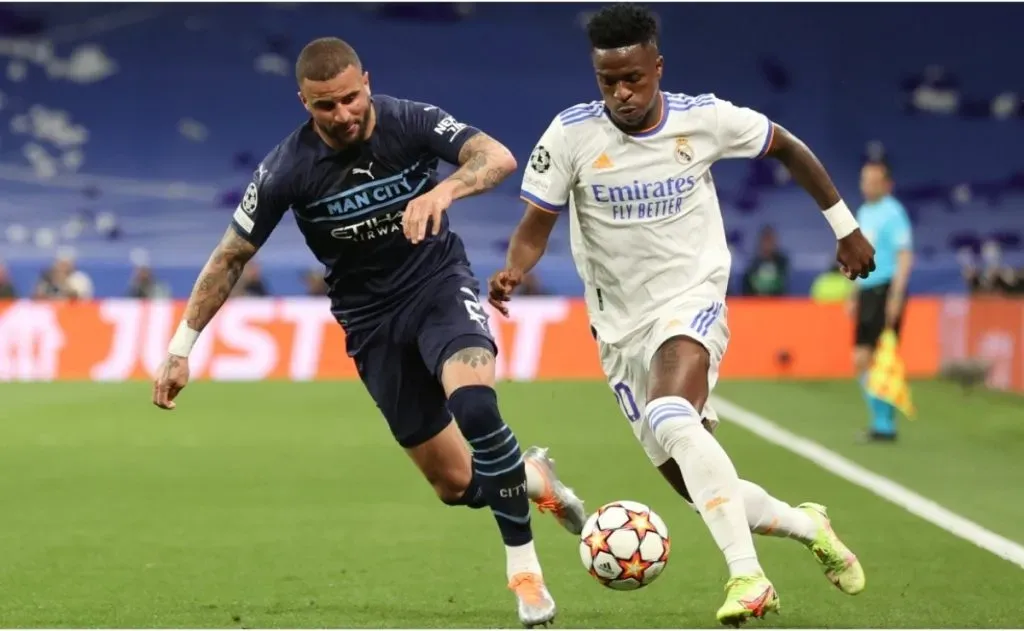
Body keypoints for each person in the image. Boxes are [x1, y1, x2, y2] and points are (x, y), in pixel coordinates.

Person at [150, 37, 585, 628]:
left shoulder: (411, 121)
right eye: (325, 105)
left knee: (477, 407)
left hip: (438, 286)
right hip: (370, 322)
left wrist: (444, 189)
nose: (344, 114)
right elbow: (230, 257)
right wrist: (180, 348)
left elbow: (498, 157)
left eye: (351, 97)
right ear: (304, 102)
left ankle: (525, 573)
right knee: (455, 484)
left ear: (367, 82)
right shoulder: (285, 169)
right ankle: (534, 478)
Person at [488, 5, 873, 626]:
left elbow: (787, 146)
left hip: (691, 301)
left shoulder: (705, 119)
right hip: (619, 330)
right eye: (608, 81)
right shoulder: (570, 135)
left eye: (633, 78)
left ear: (657, 67)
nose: (622, 92)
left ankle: (749, 578)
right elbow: (536, 225)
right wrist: (514, 269)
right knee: (703, 488)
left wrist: (844, 227)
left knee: (671, 414)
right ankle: (810, 526)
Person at [849, 161, 914, 441]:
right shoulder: (864, 212)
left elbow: (904, 255)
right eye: (864, 180)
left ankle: (884, 424)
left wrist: (896, 296)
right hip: (867, 289)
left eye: (873, 181)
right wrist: (854, 292)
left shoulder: (893, 212)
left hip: (884, 289)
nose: (867, 186)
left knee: (878, 356)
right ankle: (881, 422)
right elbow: (858, 255)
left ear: (886, 184)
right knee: (862, 358)